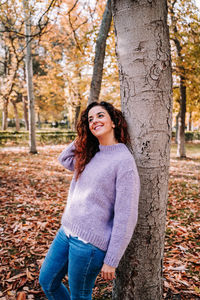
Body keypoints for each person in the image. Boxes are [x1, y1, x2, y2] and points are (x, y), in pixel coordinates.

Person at [39, 101, 140, 300]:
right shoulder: (90, 152)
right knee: (47, 282)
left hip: (89, 245)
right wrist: (85, 137)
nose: (95, 121)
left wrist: (112, 260)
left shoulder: (124, 161)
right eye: (90, 119)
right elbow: (64, 159)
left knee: (80, 296)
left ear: (114, 122)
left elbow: (126, 216)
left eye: (100, 116)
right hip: (66, 231)